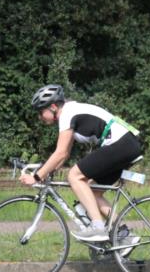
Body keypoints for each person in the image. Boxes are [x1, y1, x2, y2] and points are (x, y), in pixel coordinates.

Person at [21, 84, 142, 248]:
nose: (40, 117)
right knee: (93, 192)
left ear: (53, 107)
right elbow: (65, 154)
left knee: (74, 176)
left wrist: (36, 176)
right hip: (126, 144)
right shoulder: (71, 112)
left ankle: (98, 228)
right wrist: (49, 172)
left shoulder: (67, 114)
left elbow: (60, 153)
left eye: (41, 112)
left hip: (120, 144)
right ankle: (124, 235)